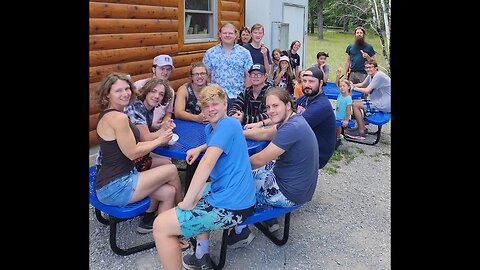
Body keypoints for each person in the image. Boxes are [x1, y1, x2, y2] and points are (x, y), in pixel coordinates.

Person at [152, 84, 256, 270]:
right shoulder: (211, 129)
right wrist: (200, 147)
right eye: (206, 106)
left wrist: (187, 201)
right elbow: (214, 144)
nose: (210, 110)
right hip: (235, 194)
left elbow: (207, 163)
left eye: (215, 104)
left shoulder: (229, 123)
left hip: (234, 206)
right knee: (200, 190)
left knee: (160, 225)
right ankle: (201, 255)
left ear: (225, 104)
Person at [228, 87, 319, 246]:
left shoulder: (291, 128)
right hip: (299, 187)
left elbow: (259, 159)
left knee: (237, 182)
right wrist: (240, 133)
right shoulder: (294, 120)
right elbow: (265, 133)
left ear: (288, 105)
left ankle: (241, 232)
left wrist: (231, 167)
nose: (271, 111)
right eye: (268, 107)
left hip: (289, 194)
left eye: (275, 106)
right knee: (253, 172)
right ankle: (268, 217)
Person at [93, 73, 182, 235]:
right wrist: (159, 140)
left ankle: (164, 233)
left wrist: (159, 135)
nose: (125, 93)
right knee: (171, 170)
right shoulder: (118, 118)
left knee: (169, 192)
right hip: (115, 187)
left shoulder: (112, 113)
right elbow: (132, 153)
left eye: (127, 88)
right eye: (118, 91)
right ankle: (183, 217)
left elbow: (133, 145)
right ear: (107, 94)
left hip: (121, 178)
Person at [244, 67, 336, 171]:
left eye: (311, 81)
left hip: (316, 155)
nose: (306, 85)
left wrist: (244, 133)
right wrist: (261, 124)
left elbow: (279, 130)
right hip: (302, 144)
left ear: (320, 83)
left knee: (264, 159)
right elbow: (284, 112)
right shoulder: (306, 98)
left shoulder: (321, 106)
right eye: (304, 81)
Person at [125, 78, 176, 175]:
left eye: (161, 94)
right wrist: (163, 130)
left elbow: (145, 128)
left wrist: (163, 125)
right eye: (153, 91)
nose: (156, 96)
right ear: (146, 91)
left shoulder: (148, 108)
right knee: (168, 166)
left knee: (167, 160)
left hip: (138, 152)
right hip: (129, 160)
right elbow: (146, 138)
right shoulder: (136, 106)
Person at [203, 22, 253, 107]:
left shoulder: (244, 53)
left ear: (235, 35)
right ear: (220, 35)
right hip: (216, 97)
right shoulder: (210, 53)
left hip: (238, 97)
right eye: (224, 33)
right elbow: (207, 75)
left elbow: (248, 75)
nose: (227, 35)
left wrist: (246, 96)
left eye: (230, 33)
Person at [344, 60, 391, 140]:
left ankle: (361, 131)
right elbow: (363, 84)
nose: (368, 69)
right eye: (366, 67)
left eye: (370, 67)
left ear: (376, 68)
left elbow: (367, 90)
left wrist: (354, 88)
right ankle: (361, 127)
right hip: (380, 102)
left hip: (385, 104)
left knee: (355, 104)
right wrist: (352, 85)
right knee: (355, 102)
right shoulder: (371, 75)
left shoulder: (378, 76)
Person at [134, 54, 176, 130]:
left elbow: (168, 112)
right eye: (162, 68)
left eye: (168, 69)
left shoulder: (170, 91)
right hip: (139, 129)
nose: (165, 72)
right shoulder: (139, 85)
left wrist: (165, 123)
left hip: (158, 129)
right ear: (154, 69)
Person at [334, 67, 353, 143]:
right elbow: (336, 83)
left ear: (348, 87)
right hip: (337, 114)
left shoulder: (348, 98)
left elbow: (348, 111)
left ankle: (338, 136)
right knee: (337, 126)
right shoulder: (340, 94)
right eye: (341, 86)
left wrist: (346, 120)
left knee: (338, 125)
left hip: (343, 116)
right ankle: (338, 135)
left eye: (344, 86)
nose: (342, 88)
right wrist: (338, 75)